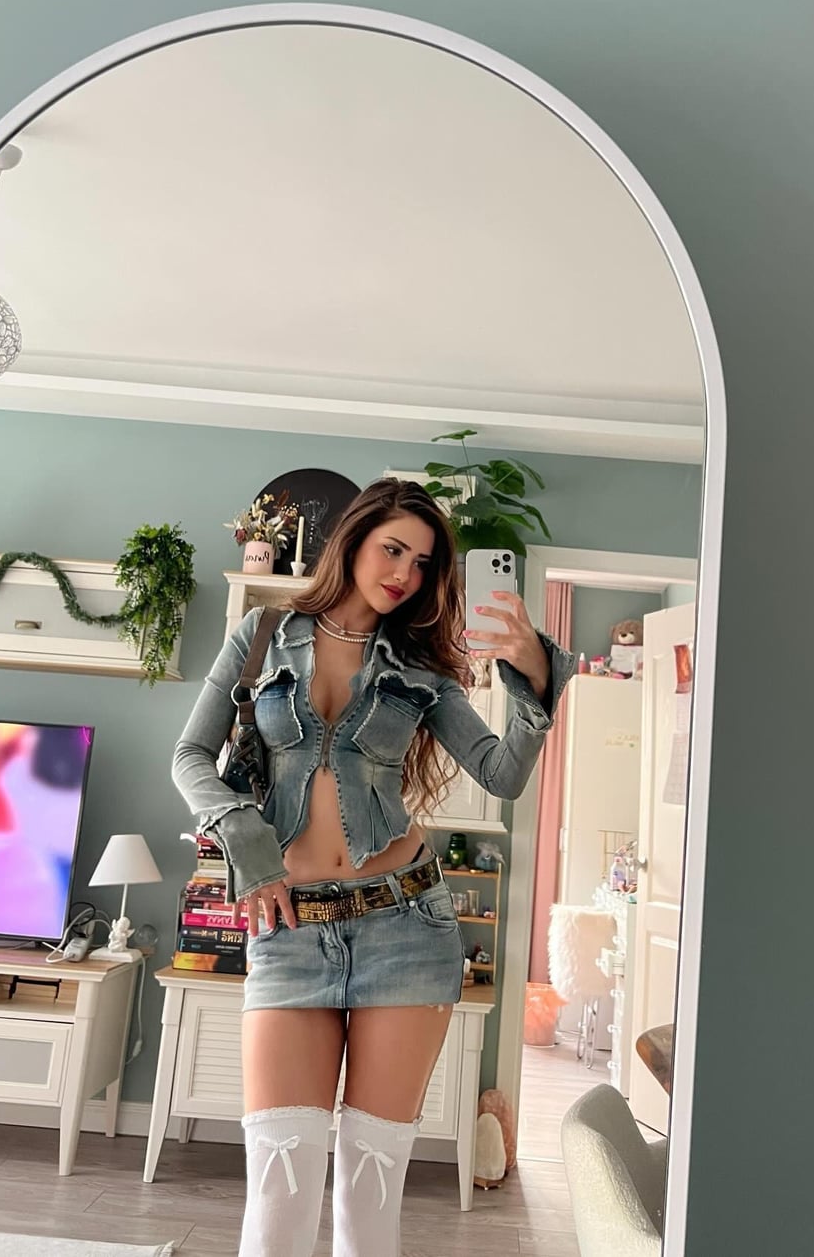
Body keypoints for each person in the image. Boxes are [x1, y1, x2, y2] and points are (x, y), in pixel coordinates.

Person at [173, 479, 574, 1256]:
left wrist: (531, 679)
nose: (404, 573)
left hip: (406, 924)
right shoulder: (261, 634)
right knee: (278, 1195)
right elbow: (191, 755)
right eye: (393, 549)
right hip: (291, 930)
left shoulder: (420, 666)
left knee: (370, 1197)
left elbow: (501, 775)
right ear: (354, 541)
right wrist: (248, 841)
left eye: (422, 563)